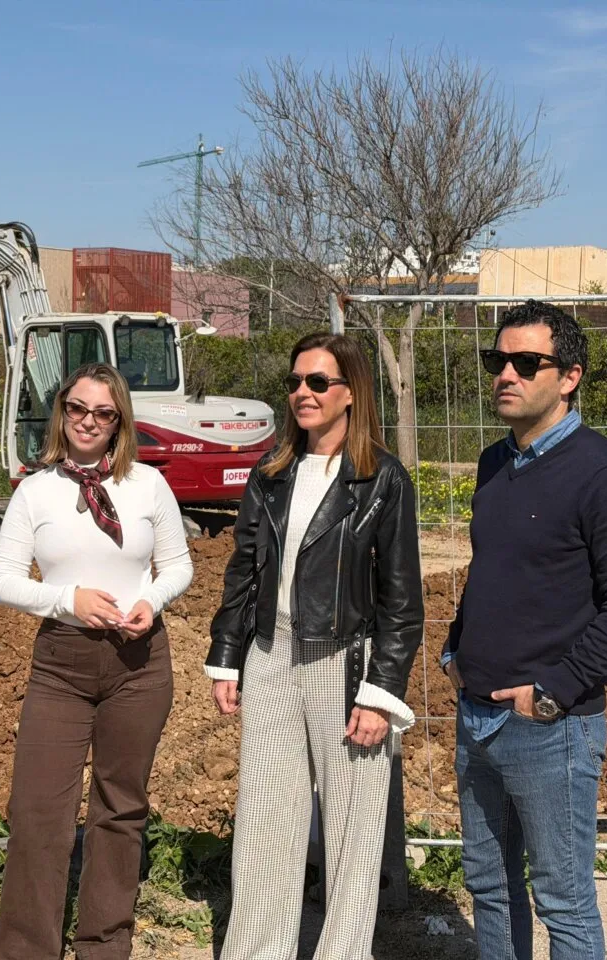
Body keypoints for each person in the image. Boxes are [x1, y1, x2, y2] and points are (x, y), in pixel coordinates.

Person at [443, 300, 607, 960]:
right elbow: (494, 568)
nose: (506, 374)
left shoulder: (605, 476)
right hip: (476, 714)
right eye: (497, 360)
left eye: (526, 362)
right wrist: (455, 648)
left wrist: (553, 692)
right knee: (489, 886)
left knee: (563, 901)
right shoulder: (494, 463)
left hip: (549, 728)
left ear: (569, 377)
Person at [205, 332, 425, 960]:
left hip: (346, 663)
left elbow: (402, 600)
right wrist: (227, 654)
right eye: (295, 382)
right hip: (270, 658)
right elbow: (245, 571)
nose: (303, 392)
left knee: (354, 835)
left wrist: (380, 692)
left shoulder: (382, 479)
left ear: (350, 393)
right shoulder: (272, 474)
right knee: (264, 823)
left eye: (318, 382)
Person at [0, 362, 194, 960]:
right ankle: (26, 950)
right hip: (62, 665)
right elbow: (4, 581)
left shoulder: (148, 486)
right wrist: (67, 600)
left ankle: (104, 946)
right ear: (62, 411)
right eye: (78, 408)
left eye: (103, 413)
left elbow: (178, 565)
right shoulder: (35, 491)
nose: (88, 421)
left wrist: (151, 601)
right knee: (38, 812)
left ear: (119, 421)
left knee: (120, 808)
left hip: (139, 665)